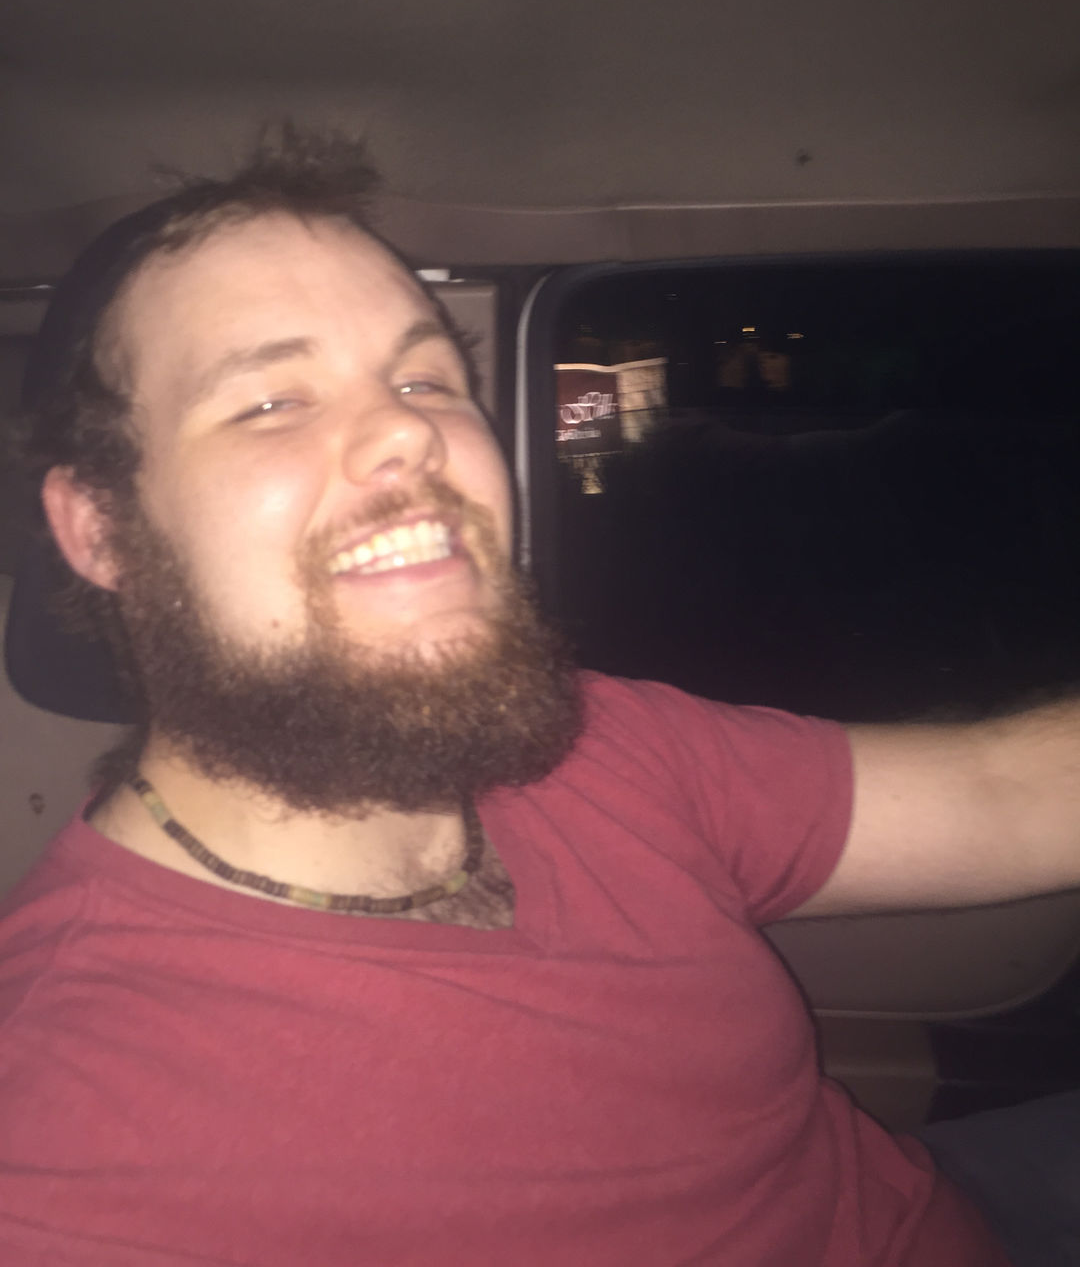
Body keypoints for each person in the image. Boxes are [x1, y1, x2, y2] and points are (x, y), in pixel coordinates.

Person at [0, 130, 1077, 1267]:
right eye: (271, 401)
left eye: (425, 380)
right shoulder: (64, 1141)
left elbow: (1004, 794)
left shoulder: (592, 742)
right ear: (100, 527)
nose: (411, 430)